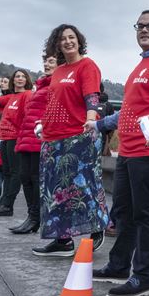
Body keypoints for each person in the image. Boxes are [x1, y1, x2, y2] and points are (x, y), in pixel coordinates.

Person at [84, 9, 149, 296]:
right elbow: (127, 111)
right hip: (128, 151)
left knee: (147, 214)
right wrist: (99, 124)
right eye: (139, 26)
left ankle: (144, 277)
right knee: (124, 213)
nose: (144, 30)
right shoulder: (139, 68)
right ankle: (118, 266)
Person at [32, 24, 109, 257]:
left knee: (83, 186)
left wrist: (90, 120)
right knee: (54, 191)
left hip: (79, 136)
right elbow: (54, 102)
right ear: (57, 44)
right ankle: (62, 240)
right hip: (52, 138)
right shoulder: (58, 71)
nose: (68, 41)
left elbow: (92, 97)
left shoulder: (87, 66)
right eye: (63, 38)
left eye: (72, 37)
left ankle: (97, 228)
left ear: (79, 40)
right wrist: (43, 125)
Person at [11, 54, 58, 234]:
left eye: (51, 61)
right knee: (25, 177)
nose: (46, 64)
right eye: (45, 61)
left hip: (40, 138)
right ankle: (32, 216)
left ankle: (36, 218)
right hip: (27, 137)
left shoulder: (55, 85)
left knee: (35, 179)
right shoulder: (40, 86)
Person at [0, 69, 34, 217]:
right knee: (6, 172)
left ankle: (8, 206)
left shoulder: (27, 95)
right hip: (4, 137)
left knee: (14, 173)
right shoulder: (12, 96)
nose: (19, 79)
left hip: (15, 137)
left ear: (27, 80)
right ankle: (2, 202)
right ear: (13, 80)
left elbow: (27, 117)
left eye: (23, 77)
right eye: (17, 76)